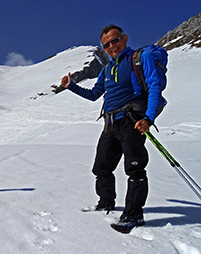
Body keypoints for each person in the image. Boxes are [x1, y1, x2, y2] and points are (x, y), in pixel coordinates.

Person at [60, 25, 164, 228]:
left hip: (131, 120)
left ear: (124, 38)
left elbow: (153, 86)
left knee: (134, 168)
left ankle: (134, 215)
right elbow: (93, 95)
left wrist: (148, 118)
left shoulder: (139, 58)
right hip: (110, 123)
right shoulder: (107, 69)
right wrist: (70, 86)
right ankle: (106, 203)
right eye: (106, 44)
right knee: (101, 167)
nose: (111, 46)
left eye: (115, 41)